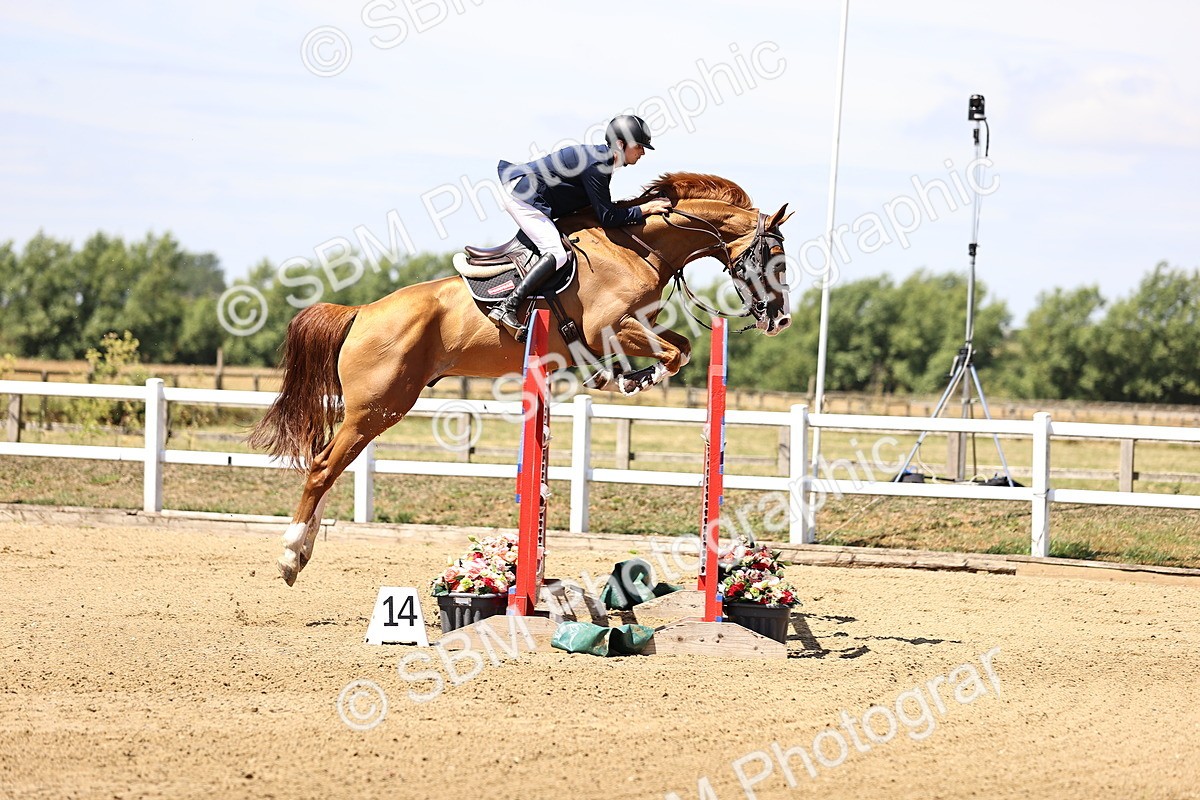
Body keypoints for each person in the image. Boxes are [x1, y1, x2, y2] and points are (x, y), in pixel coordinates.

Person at [487, 114, 673, 337]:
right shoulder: (598, 164)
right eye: (639, 146)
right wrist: (646, 209)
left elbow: (599, 209)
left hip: (528, 193)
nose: (642, 152)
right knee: (557, 253)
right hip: (522, 195)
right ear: (620, 144)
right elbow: (608, 217)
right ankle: (506, 307)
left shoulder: (603, 161)